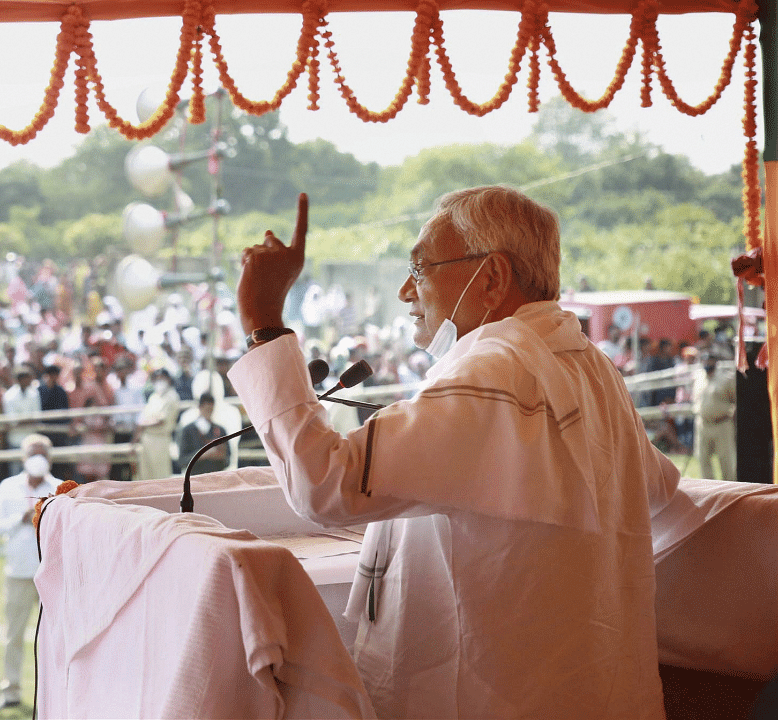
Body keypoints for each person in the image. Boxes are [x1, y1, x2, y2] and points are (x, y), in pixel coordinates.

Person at [230, 188, 676, 718]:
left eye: (419, 269)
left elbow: (326, 484)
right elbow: (657, 486)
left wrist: (263, 323)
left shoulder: (494, 371)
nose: (404, 291)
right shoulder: (590, 367)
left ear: (489, 279)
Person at [0, 435, 57, 710]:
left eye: (41, 453)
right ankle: (11, 690)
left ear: (49, 459)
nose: (37, 458)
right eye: (32, 453)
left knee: (53, 637)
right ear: (23, 458)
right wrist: (21, 519)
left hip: (50, 573)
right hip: (17, 572)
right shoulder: (8, 487)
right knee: (14, 635)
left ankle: (53, 695)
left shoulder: (59, 488)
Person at [692, 353, 737, 482]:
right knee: (703, 459)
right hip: (702, 423)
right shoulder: (699, 377)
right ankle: (708, 491)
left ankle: (730, 490)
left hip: (721, 424)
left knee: (726, 460)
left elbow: (735, 400)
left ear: (715, 362)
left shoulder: (726, 378)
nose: (707, 363)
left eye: (710, 361)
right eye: (705, 361)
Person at [133, 367, 179, 481]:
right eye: (156, 379)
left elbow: (160, 420)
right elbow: (144, 418)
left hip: (160, 439)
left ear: (168, 379)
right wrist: (136, 439)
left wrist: (142, 425)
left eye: (162, 378)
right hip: (146, 438)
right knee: (145, 476)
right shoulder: (154, 397)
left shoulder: (172, 396)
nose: (159, 381)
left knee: (160, 476)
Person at [176, 393, 229, 474]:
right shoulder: (188, 431)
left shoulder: (220, 430)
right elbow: (182, 461)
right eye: (207, 409)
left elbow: (228, 459)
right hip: (196, 476)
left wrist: (220, 456)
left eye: (211, 410)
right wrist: (203, 455)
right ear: (200, 408)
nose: (209, 413)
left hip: (215, 475)